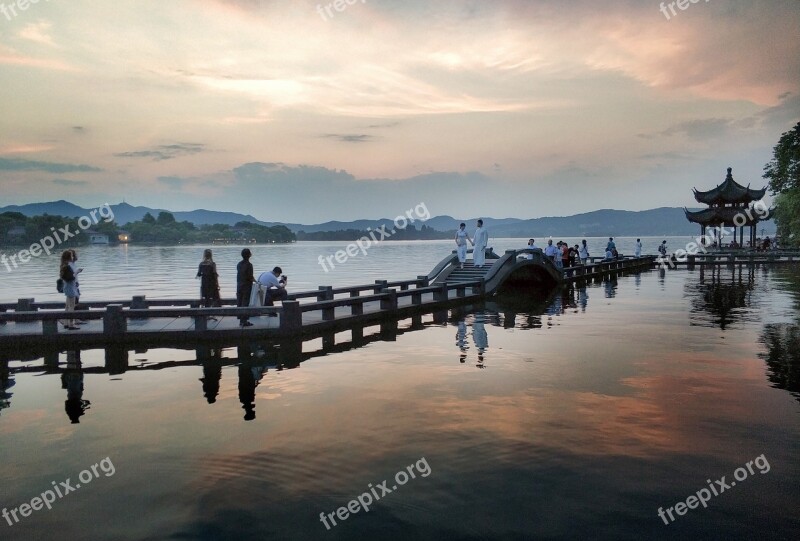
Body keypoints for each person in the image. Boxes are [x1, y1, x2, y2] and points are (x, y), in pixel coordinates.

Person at [59, 250, 79, 330]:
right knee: (71, 306)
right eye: (71, 256)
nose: (72, 257)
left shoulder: (63, 265)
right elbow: (70, 278)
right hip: (71, 288)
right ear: (68, 257)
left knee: (67, 306)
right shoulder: (67, 267)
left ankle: (66, 322)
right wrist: (77, 272)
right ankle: (71, 324)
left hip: (67, 287)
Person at [236, 249, 256, 326]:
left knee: (240, 302)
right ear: (249, 255)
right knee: (245, 303)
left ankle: (241, 320)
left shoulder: (239, 264)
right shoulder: (249, 265)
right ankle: (244, 321)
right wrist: (256, 282)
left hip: (239, 285)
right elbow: (250, 276)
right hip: (246, 286)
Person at [68, 249, 86, 324]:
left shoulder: (73, 264)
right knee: (73, 303)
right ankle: (72, 320)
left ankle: (75, 319)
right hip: (72, 286)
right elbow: (70, 276)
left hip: (75, 285)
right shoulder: (69, 265)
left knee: (76, 302)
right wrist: (77, 271)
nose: (76, 256)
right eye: (75, 255)